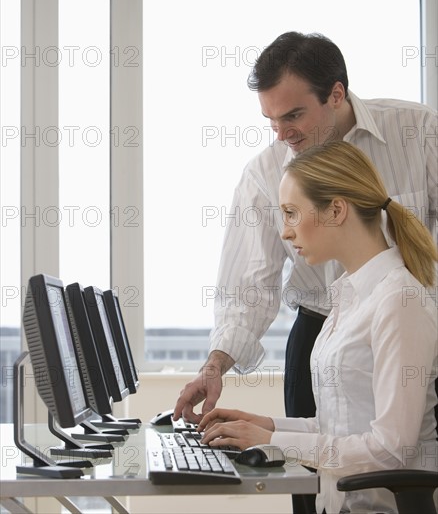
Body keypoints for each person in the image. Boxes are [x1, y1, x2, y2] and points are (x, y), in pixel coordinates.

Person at [173, 32, 437, 513]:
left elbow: (393, 447)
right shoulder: (266, 170)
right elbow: (247, 288)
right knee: (313, 484)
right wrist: (221, 376)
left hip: (411, 321)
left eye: (293, 115)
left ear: (337, 94)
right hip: (325, 322)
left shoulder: (419, 131)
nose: (282, 134)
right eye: (270, 119)